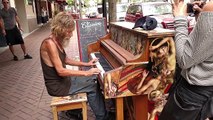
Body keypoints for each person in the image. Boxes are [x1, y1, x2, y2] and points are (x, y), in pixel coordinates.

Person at [40, 12, 108, 120]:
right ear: (60, 29)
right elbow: (61, 71)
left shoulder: (57, 40)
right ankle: (102, 117)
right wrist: (86, 72)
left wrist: (87, 64)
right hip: (58, 86)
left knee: (93, 79)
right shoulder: (50, 44)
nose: (71, 34)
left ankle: (74, 112)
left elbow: (65, 59)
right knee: (92, 85)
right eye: (69, 31)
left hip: (64, 81)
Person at [158, 1, 213, 120]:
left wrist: (179, 18)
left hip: (193, 96)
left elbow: (184, 60)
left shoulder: (211, 7)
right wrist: (202, 17)